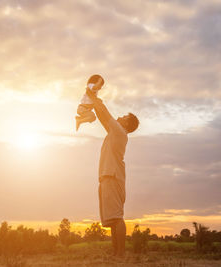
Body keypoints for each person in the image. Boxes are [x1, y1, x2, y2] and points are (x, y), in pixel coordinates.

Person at [85, 78, 139, 257]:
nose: (121, 116)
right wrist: (94, 99)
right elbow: (102, 117)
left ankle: (120, 254)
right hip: (109, 177)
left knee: (116, 218)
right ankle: (117, 254)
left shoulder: (119, 132)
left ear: (126, 124)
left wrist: (94, 96)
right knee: (112, 219)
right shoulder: (115, 131)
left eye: (124, 116)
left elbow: (105, 113)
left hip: (112, 177)